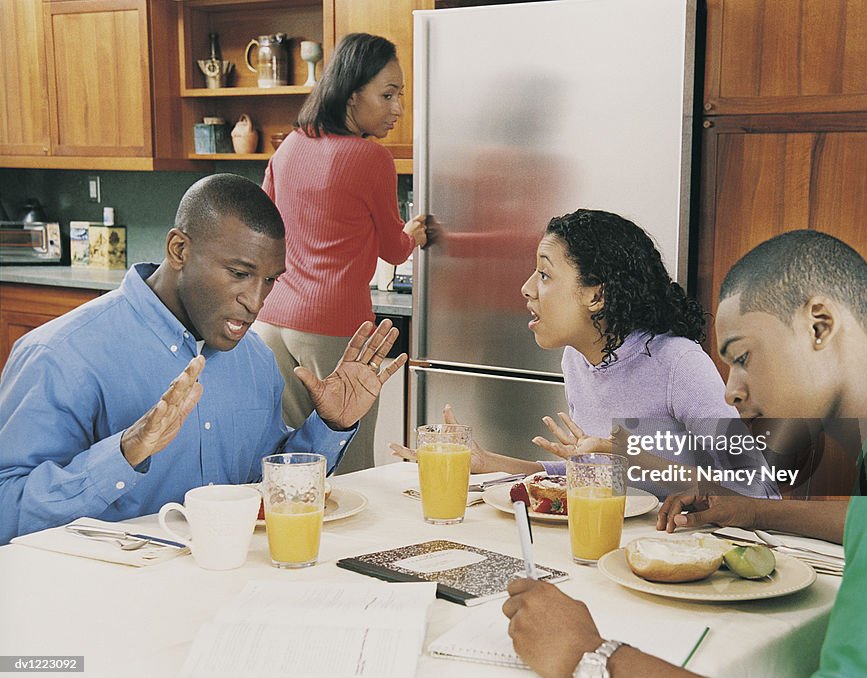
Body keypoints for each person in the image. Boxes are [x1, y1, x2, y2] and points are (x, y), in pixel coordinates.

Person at [503, 230, 867, 678]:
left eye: (744, 357)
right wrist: (747, 508)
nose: (731, 392)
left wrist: (590, 657)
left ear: (819, 325)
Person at [0, 174, 407, 545]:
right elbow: (7, 512)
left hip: (230, 587)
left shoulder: (254, 359)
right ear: (179, 249)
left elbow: (260, 485)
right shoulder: (60, 354)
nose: (255, 301)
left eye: (269, 280)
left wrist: (330, 425)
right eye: (238, 273)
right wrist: (124, 453)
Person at [392, 209, 777, 498]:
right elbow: (592, 472)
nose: (527, 289)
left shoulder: (678, 363)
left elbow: (759, 489)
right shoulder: (578, 359)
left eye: (544, 275)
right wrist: (491, 466)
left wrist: (632, 455)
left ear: (597, 295)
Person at [253, 32, 430, 473]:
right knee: (348, 461)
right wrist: (414, 235)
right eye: (387, 95)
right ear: (352, 96)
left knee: (290, 458)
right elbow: (394, 248)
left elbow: (265, 228)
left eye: (400, 96)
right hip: (333, 326)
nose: (398, 109)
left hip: (273, 320)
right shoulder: (370, 158)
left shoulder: (290, 146)